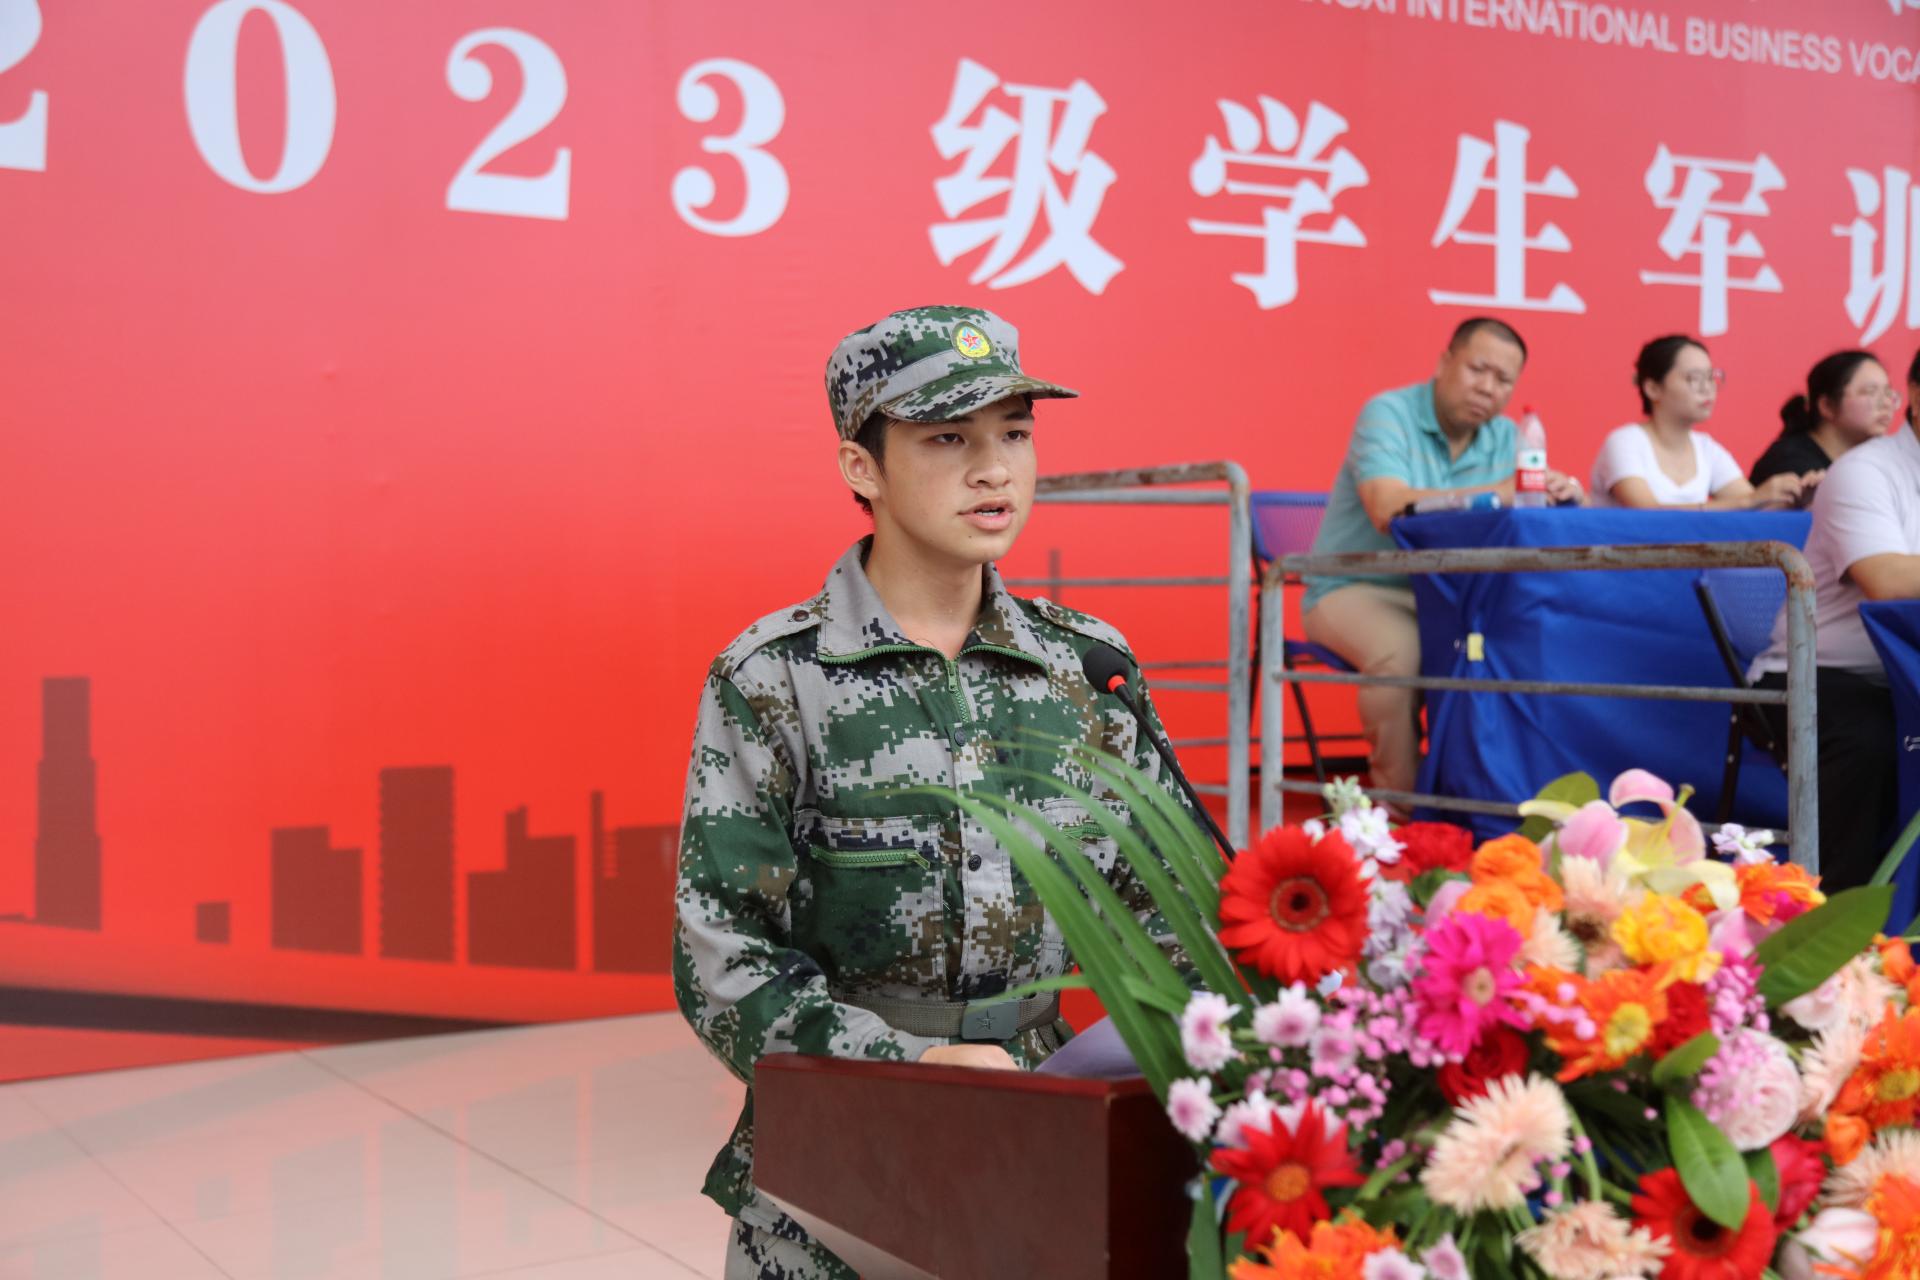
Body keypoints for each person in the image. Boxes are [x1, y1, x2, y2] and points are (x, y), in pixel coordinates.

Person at [673, 305, 1191, 1280]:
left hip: (1052, 1135)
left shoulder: (1088, 667)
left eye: (1015, 434)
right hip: (842, 1154)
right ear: (861, 466)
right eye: (949, 438)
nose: (995, 469)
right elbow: (722, 957)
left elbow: (1165, 902)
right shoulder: (776, 676)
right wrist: (909, 1066)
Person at [1302, 317, 1583, 800]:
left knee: (1523, 639)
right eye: (1478, 369)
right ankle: (1404, 806)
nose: (1488, 388)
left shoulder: (1507, 437)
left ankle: (1493, 795)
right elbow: (1387, 506)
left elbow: (1521, 511)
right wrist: (1498, 493)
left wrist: (1562, 491)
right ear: (1444, 361)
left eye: (1504, 380)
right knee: (1400, 652)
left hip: (1446, 597)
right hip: (1353, 586)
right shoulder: (1388, 414)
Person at [1750, 347, 1919, 889]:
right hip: (1816, 675)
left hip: (1905, 676)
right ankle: (1838, 912)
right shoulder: (1864, 472)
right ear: (1916, 397)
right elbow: (1885, 579)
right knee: (1874, 738)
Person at [1591, 335, 1809, 509]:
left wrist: (1803, 498)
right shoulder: (1625, 441)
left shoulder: (1706, 448)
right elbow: (1648, 513)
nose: (1707, 388)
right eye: (1694, 378)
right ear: (1653, 388)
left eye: (1711, 377)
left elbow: (1756, 506)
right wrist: (1748, 501)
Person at [1749, 350, 1898, 493]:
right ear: (1827, 406)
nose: (1886, 403)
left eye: (1888, 393)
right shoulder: (1790, 464)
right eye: (1870, 391)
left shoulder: (1878, 464)